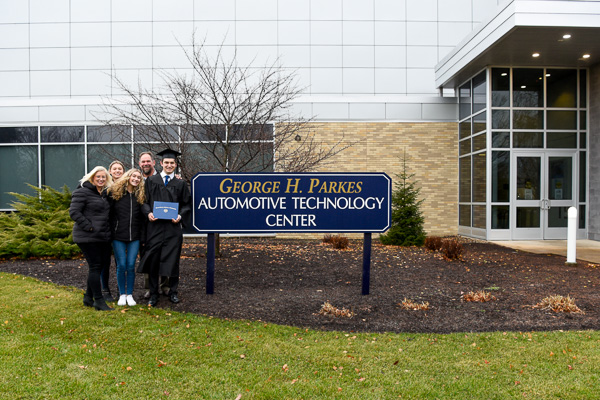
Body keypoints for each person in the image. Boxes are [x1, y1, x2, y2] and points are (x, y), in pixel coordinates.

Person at [139, 149, 191, 306]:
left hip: (172, 228)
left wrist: (180, 216)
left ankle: (172, 291)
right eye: (166, 162)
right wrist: (148, 213)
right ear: (161, 163)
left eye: (172, 163)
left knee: (173, 260)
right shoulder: (151, 181)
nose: (169, 165)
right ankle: (154, 294)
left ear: (176, 165)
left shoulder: (180, 183)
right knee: (154, 261)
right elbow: (144, 202)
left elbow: (187, 205)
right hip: (154, 227)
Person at [69, 166, 114, 311]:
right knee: (95, 266)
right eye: (98, 177)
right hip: (87, 237)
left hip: (101, 237)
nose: (101, 179)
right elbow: (74, 212)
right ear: (92, 178)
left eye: (103, 177)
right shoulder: (82, 192)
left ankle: (88, 297)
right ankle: (99, 301)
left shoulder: (103, 194)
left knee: (97, 266)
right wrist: (89, 227)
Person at [107, 168, 145, 306]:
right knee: (121, 265)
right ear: (128, 177)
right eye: (133, 176)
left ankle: (130, 294)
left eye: (138, 178)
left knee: (130, 265)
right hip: (118, 237)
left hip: (134, 237)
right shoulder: (116, 193)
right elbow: (109, 214)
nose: (136, 179)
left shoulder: (139, 195)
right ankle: (122, 294)